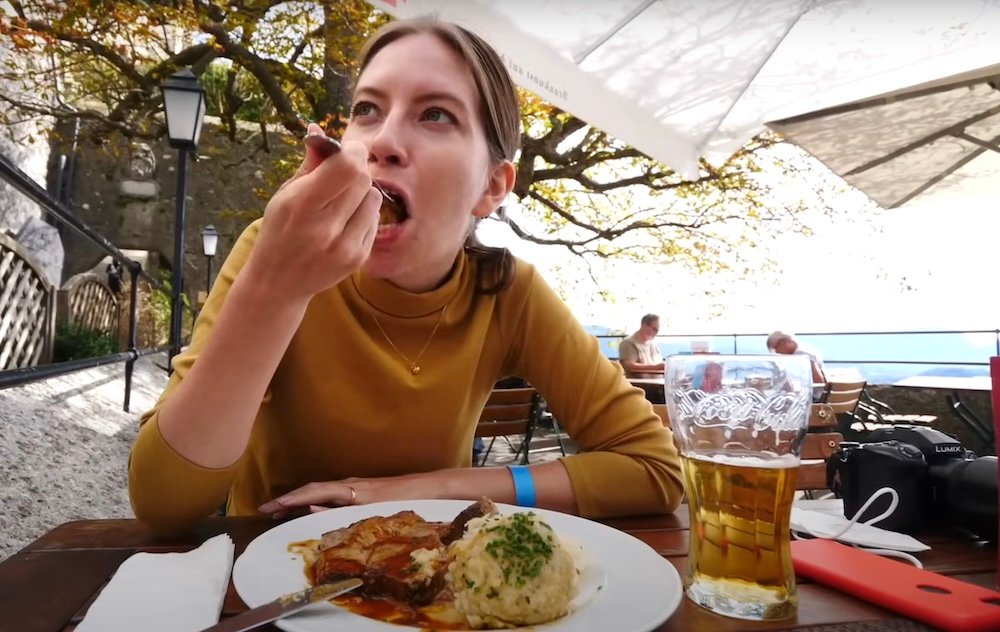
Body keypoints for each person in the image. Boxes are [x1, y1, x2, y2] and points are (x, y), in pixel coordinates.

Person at [128, 17, 684, 536]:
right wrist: (274, 290)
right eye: (367, 110)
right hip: (270, 581)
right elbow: (162, 504)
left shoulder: (505, 293)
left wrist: (428, 489)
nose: (381, 143)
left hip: (431, 587)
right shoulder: (274, 255)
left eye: (436, 114)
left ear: (492, 186)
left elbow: (655, 469)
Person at [618, 314, 665, 379]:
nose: (656, 333)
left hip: (658, 382)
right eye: (654, 329)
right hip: (640, 384)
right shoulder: (628, 343)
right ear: (644, 325)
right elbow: (628, 365)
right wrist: (656, 367)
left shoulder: (653, 344)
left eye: (657, 331)